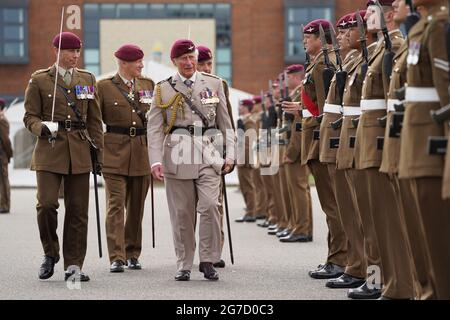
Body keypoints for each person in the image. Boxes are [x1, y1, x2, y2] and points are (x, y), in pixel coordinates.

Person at [147, 39, 235, 281]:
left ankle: (208, 259)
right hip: (177, 153)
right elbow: (154, 128)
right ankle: (184, 263)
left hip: (209, 151)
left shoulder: (214, 84)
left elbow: (226, 123)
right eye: (183, 59)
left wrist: (231, 154)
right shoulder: (163, 88)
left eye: (192, 57)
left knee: (210, 205)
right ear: (174, 62)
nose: (188, 62)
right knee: (182, 213)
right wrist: (155, 161)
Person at [23, 32, 103, 281]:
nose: (75, 56)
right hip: (50, 149)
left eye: (78, 52)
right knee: (46, 204)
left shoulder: (88, 79)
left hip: (79, 150)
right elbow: (29, 117)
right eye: (70, 51)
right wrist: (41, 128)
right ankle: (50, 253)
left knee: (78, 210)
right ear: (56, 51)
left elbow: (94, 121)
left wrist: (98, 157)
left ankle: (74, 265)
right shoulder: (40, 80)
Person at [399, 0, 450, 299]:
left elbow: (445, 89)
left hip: (431, 136)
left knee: (437, 233)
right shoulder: (423, 25)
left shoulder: (439, 25)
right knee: (423, 232)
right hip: (415, 136)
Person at [98, 44, 154, 273]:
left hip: (142, 152)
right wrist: (95, 152)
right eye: (137, 62)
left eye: (142, 61)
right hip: (113, 153)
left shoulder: (148, 85)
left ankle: (132, 253)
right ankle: (117, 256)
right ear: (123, 63)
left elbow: (156, 119)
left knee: (136, 207)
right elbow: (94, 120)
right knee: (115, 205)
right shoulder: (103, 87)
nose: (142, 65)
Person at [196, 45, 235, 268]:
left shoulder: (219, 83)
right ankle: (194, 249)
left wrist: (229, 152)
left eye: (209, 63)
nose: (206, 68)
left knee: (214, 202)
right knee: (191, 205)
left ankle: (214, 251)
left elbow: (226, 118)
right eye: (202, 63)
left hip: (213, 148)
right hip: (187, 147)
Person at [0, 98, 12, 214]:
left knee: (3, 181)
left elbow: (5, 140)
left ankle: (5, 205)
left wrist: (8, 154)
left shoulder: (2, 120)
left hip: (1, 154)